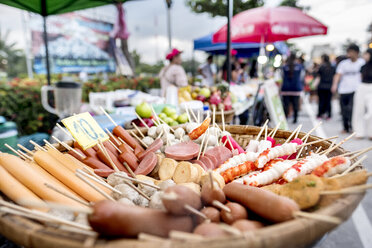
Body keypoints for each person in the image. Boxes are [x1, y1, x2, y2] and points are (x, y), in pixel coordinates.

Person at [331, 44, 365, 133]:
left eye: (351, 52)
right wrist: (334, 85)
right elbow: (338, 75)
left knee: (352, 109)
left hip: (356, 90)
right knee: (343, 109)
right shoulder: (344, 63)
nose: (349, 54)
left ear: (357, 53)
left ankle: (352, 127)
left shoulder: (362, 63)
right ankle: (345, 127)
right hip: (343, 89)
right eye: (348, 52)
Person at [352, 48, 372, 139]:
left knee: (371, 111)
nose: (364, 56)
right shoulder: (363, 66)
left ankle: (370, 132)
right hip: (362, 87)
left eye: (366, 54)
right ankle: (359, 132)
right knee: (358, 111)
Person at [281, 53, 304, 124]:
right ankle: (295, 118)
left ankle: (285, 118)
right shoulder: (299, 66)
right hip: (296, 88)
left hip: (286, 88)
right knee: (295, 104)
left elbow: (281, 77)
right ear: (295, 58)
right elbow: (302, 77)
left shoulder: (284, 66)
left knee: (286, 104)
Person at [314, 54, 335, 120]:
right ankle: (328, 115)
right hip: (329, 86)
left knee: (321, 101)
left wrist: (314, 85)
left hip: (321, 86)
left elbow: (318, 77)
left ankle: (320, 114)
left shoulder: (321, 67)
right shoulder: (332, 67)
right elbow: (334, 77)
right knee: (328, 101)